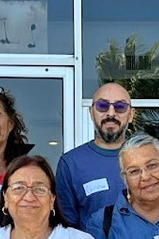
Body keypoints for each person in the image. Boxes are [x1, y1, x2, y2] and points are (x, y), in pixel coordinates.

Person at [57, 83, 135, 227]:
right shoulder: (71, 163)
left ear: (131, 115)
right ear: (91, 112)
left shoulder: (148, 159)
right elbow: (67, 227)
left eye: (120, 107)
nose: (111, 113)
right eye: (102, 106)